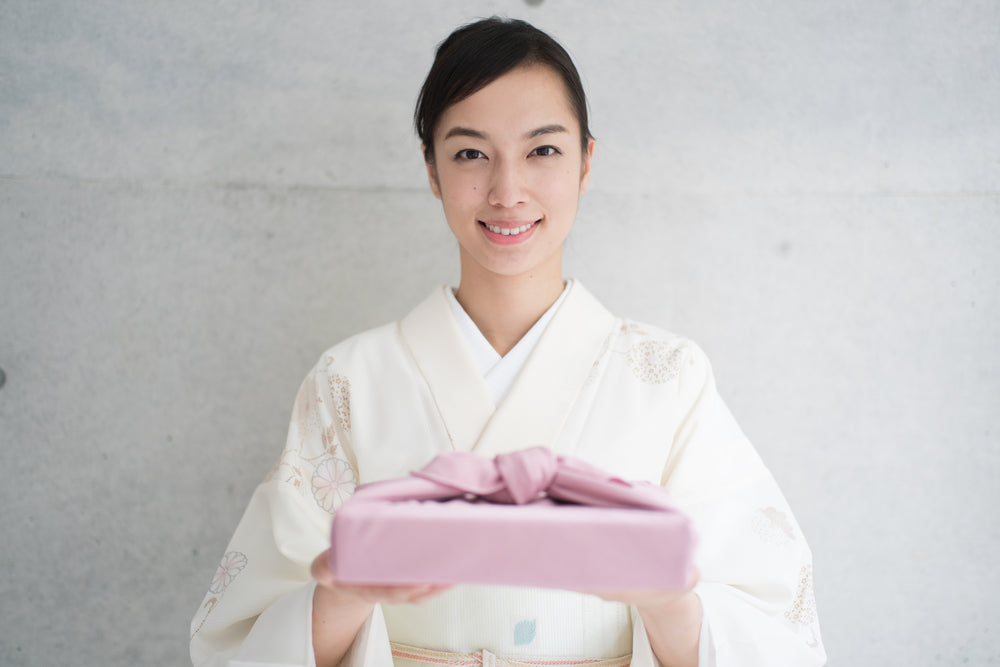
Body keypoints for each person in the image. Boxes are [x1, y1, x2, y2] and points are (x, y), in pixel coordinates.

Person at [190, 17, 826, 667]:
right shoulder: (350, 380)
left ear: (586, 161)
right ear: (431, 169)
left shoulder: (666, 378)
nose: (507, 191)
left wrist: (665, 598)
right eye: (470, 153)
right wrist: (347, 593)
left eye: (542, 150)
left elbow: (773, 629)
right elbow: (243, 638)